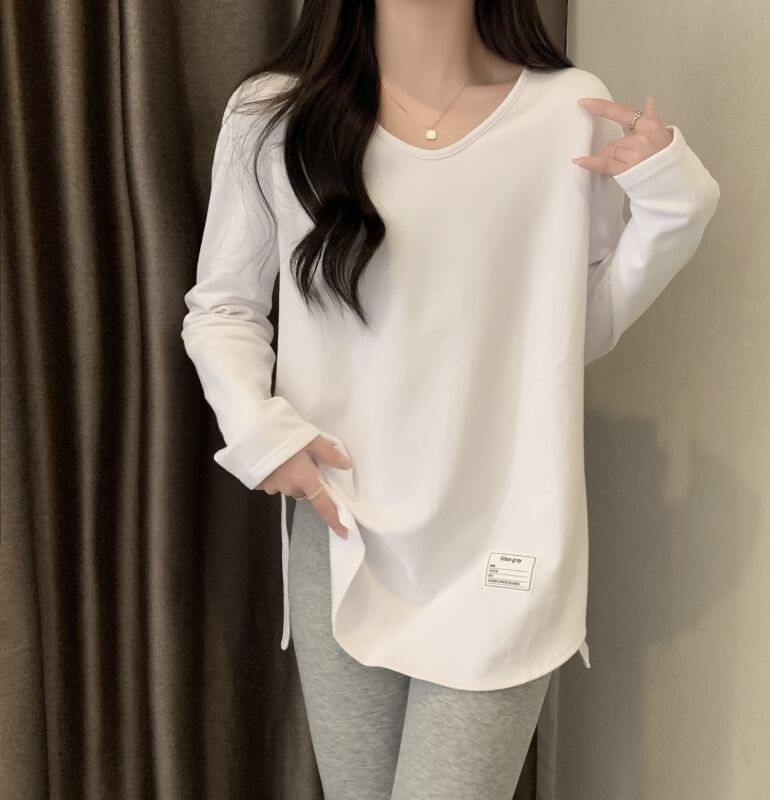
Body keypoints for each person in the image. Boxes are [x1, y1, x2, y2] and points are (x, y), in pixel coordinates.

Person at [181, 2, 720, 797]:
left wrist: (675, 207)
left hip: (505, 539)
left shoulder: (565, 112)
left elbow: (574, 331)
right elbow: (223, 306)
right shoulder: (273, 115)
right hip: (344, 529)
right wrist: (262, 434)